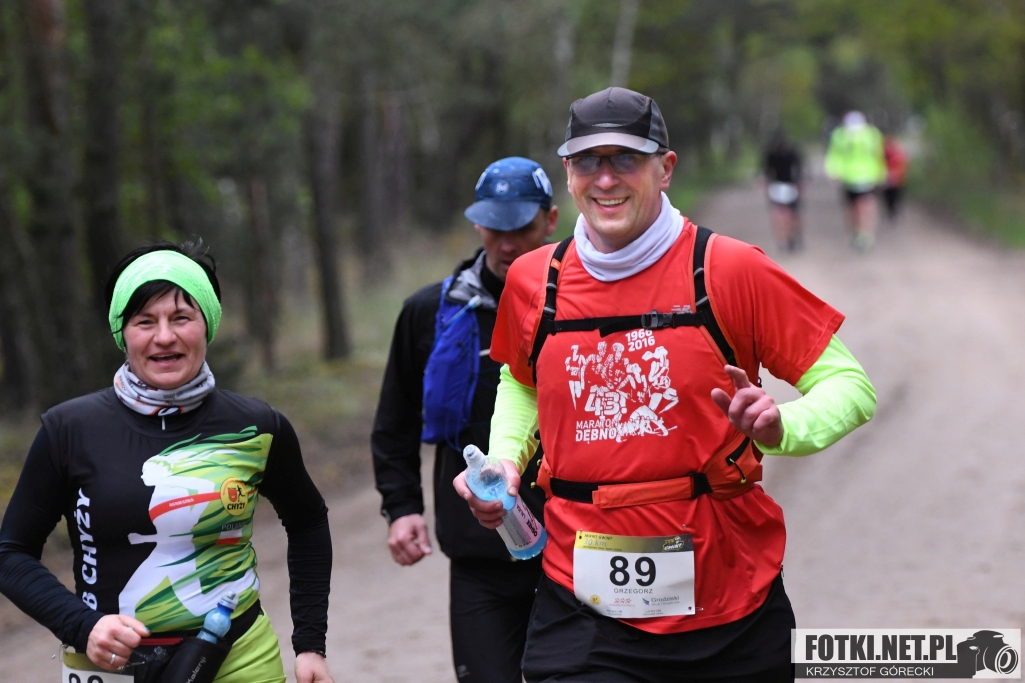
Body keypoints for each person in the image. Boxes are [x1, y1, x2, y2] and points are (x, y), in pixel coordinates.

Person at [454, 87, 877, 682]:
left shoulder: (729, 269)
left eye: (626, 159)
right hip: (583, 604)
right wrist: (505, 459)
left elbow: (850, 385)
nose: (605, 179)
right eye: (587, 161)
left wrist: (782, 425)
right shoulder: (533, 281)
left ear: (666, 168)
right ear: (568, 173)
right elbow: (522, 381)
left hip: (730, 601)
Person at [0, 241, 334, 683]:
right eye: (145, 321)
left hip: (238, 658)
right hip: (111, 665)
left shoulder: (255, 426)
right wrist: (83, 626)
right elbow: (11, 553)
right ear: (123, 333)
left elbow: (308, 521)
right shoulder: (70, 430)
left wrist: (310, 645)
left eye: (181, 318)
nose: (164, 337)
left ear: (207, 325)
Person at [371, 157, 557, 683]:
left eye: (521, 227)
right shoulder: (430, 313)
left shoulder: (579, 308)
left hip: (572, 551)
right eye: (495, 228)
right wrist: (402, 507)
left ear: (550, 220)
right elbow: (395, 422)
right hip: (479, 556)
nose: (507, 243)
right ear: (477, 225)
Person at [824, 111, 886, 251]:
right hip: (848, 178)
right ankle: (857, 232)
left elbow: (879, 156)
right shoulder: (840, 136)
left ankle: (867, 234)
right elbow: (835, 156)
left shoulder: (872, 136)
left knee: (866, 206)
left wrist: (881, 174)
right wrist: (833, 172)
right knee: (852, 208)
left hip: (868, 177)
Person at [763, 133, 804, 251]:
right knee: (780, 215)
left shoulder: (791, 154)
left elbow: (798, 170)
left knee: (790, 214)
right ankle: (783, 238)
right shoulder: (772, 156)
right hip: (778, 187)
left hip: (789, 186)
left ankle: (789, 236)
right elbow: (767, 172)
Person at [882, 135, 909, 222]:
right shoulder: (887, 152)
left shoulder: (897, 153)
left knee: (892, 197)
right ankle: (892, 212)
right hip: (891, 179)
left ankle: (892, 212)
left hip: (895, 179)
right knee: (891, 197)